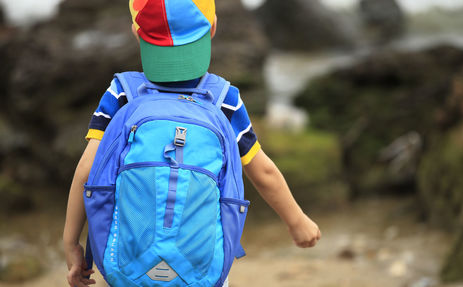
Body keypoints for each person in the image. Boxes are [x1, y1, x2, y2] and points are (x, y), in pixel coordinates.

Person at [63, 0, 321, 286]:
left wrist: (71, 242)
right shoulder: (224, 99)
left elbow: (86, 171)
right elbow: (263, 172)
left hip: (125, 265)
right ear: (212, 28)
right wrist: (297, 222)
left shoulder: (122, 93)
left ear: (136, 32)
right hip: (200, 269)